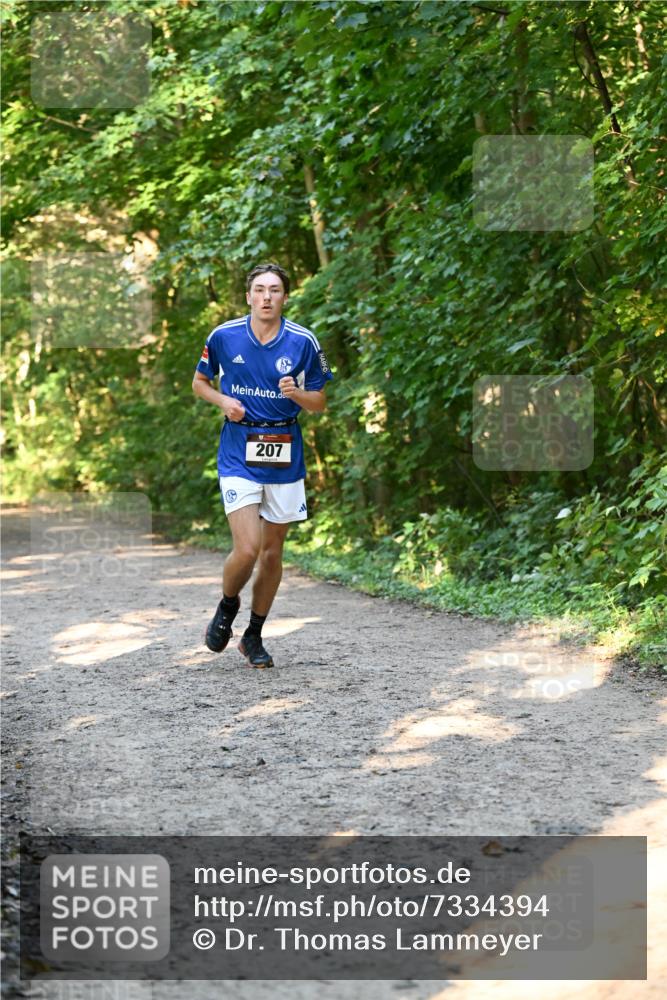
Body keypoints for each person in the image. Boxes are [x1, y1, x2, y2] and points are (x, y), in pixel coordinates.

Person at [192, 262, 333, 668]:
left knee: (271, 554)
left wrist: (297, 394)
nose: (266, 297)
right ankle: (227, 604)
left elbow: (320, 402)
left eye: (274, 290)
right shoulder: (224, 336)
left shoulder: (303, 341)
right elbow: (200, 383)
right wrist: (224, 401)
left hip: (284, 449)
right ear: (249, 296)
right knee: (248, 548)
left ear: (285, 297)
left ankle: (253, 634)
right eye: (259, 289)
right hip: (238, 449)